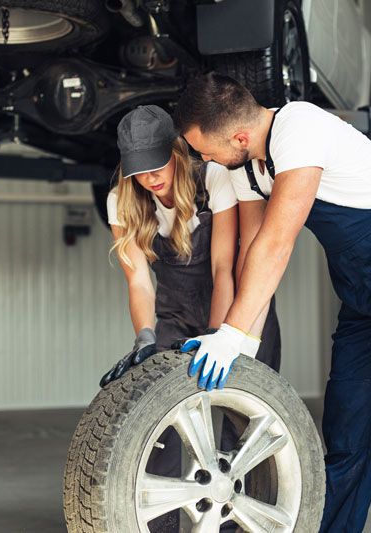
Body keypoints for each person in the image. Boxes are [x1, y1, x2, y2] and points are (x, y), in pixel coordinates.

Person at [173, 74, 371, 532]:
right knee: (348, 432)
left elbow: (278, 243)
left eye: (205, 150)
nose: (202, 161)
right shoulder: (241, 166)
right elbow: (251, 253)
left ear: (239, 137)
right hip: (363, 290)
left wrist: (229, 333)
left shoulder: (299, 127)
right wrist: (242, 342)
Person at [99, 104, 281, 531]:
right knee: (157, 421)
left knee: (242, 424)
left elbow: (224, 267)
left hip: (233, 308)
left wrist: (222, 338)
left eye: (158, 164)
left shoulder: (212, 179)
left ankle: (237, 525)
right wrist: (145, 337)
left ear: (176, 151)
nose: (150, 178)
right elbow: (140, 281)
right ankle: (156, 524)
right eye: (139, 170)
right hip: (173, 315)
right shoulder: (120, 201)